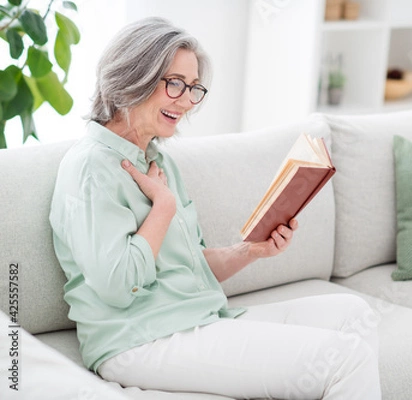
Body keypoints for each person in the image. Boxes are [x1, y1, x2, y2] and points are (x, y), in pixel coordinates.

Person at [49, 17, 381, 399]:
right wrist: (162, 209)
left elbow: (190, 269)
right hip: (139, 340)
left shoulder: (159, 162)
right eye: (174, 83)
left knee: (354, 315)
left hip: (197, 319)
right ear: (132, 77)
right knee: (346, 358)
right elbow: (119, 287)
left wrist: (251, 250)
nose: (187, 101)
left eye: (193, 88)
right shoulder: (91, 168)